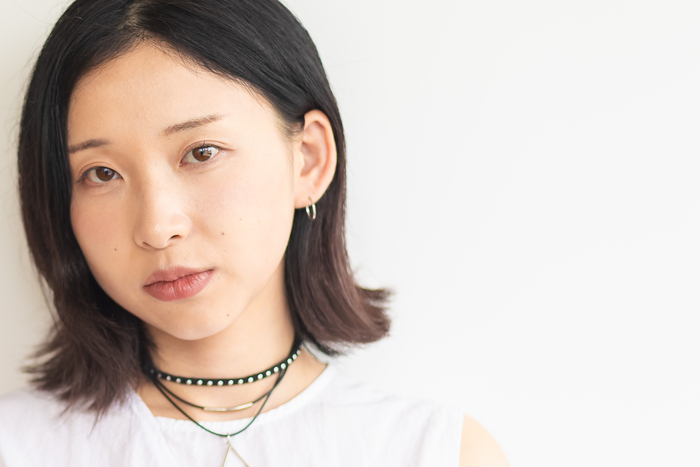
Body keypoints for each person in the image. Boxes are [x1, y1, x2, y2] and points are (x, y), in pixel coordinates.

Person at [0, 0, 508, 465]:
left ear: (308, 159)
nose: (157, 227)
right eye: (102, 173)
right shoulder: (18, 446)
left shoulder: (437, 452)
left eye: (201, 153)